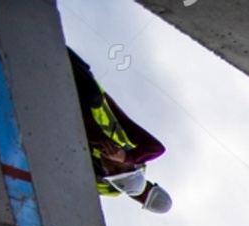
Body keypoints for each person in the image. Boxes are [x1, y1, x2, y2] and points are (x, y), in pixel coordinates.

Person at [67, 48, 172, 213]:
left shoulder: (109, 188)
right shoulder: (134, 156)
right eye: (145, 192)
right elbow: (156, 148)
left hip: (67, 131)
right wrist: (126, 157)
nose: (137, 195)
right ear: (150, 184)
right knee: (91, 95)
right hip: (87, 101)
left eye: (139, 198)